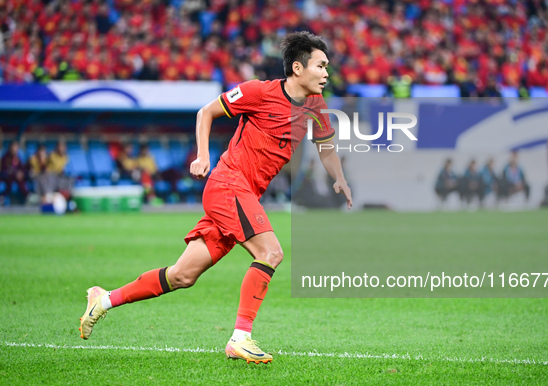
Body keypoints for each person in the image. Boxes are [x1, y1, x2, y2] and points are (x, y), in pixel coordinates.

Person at [79, 32, 353, 364]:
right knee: (271, 251)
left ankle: (103, 299)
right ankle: (241, 337)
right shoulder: (258, 92)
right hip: (228, 183)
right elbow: (206, 112)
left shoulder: (316, 106)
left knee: (182, 275)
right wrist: (203, 155)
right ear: (298, 67)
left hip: (245, 193)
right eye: (321, 65)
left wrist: (338, 177)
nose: (327, 73)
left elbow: (326, 147)